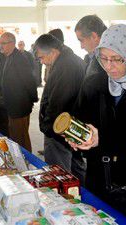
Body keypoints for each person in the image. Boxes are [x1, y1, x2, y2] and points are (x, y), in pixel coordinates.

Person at [70, 24, 126, 222]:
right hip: (98, 175)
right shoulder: (93, 83)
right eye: (103, 58)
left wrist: (103, 139)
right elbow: (80, 117)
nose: (109, 66)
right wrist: (77, 136)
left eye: (117, 59)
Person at [34, 34, 87, 184]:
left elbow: (58, 103)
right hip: (70, 127)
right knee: (76, 167)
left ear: (52, 52)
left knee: (60, 174)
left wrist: (48, 128)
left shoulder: (66, 66)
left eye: (42, 58)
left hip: (60, 129)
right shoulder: (67, 61)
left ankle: (69, 201)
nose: (42, 62)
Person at [0, 32, 38, 152]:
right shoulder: (10, 57)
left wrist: (33, 99)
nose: (1, 46)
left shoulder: (20, 59)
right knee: (16, 138)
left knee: (21, 139)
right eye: (0, 43)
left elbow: (29, 81)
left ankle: (27, 165)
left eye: (3, 43)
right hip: (13, 105)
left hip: (20, 106)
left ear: (12, 43)